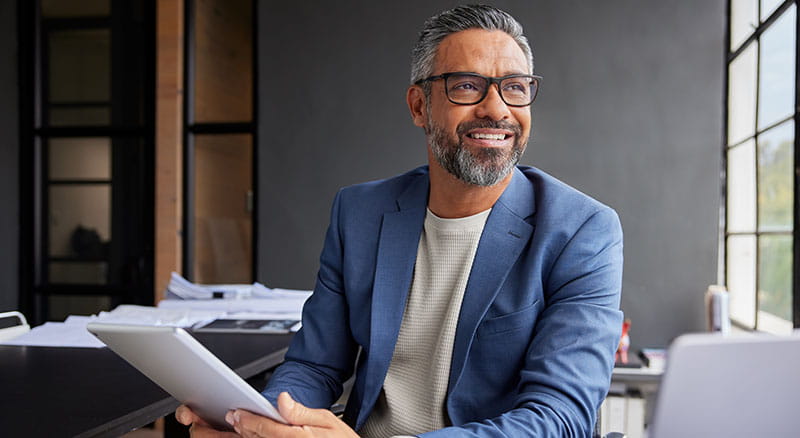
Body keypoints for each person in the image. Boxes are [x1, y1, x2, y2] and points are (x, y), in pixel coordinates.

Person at [177, 4, 623, 437]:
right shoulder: (360, 212)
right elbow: (314, 365)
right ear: (418, 106)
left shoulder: (582, 230)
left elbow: (560, 417)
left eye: (515, 87)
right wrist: (261, 423)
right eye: (467, 86)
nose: (496, 108)